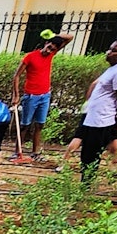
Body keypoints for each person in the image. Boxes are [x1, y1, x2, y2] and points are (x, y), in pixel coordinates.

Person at [10, 31, 72, 160]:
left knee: (40, 125)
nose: (49, 51)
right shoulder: (30, 57)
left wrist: (55, 35)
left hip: (45, 96)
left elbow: (70, 37)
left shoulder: (51, 54)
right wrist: (15, 95)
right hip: (31, 96)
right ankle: (17, 152)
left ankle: (36, 153)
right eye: (49, 47)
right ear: (45, 43)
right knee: (24, 125)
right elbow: (16, 76)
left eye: (53, 50)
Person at [78, 39, 117, 183]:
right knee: (87, 154)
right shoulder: (111, 69)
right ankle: (85, 182)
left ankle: (86, 185)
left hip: (101, 121)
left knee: (91, 155)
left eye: (114, 50)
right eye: (109, 49)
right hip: (93, 118)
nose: (109, 52)